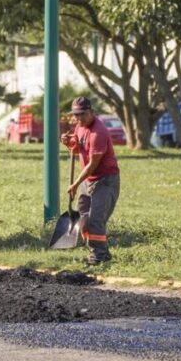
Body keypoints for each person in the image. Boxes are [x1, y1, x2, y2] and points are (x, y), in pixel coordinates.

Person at [60, 96, 120, 265]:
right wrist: (68, 142)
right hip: (88, 181)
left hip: (105, 181)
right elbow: (78, 146)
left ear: (92, 112)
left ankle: (99, 256)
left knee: (95, 220)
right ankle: (97, 252)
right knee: (83, 220)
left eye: (82, 114)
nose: (79, 118)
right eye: (76, 115)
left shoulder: (98, 132)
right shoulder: (80, 126)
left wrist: (75, 184)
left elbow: (93, 165)